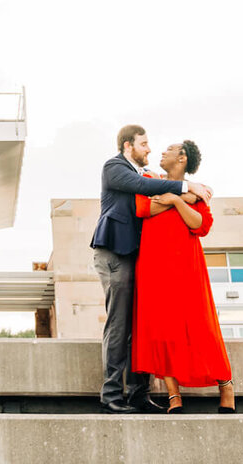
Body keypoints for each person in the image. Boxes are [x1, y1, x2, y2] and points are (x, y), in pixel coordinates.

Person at [90, 125, 213, 413]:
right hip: (114, 253)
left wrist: (188, 191)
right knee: (119, 325)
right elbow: (145, 190)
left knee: (140, 327)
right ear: (127, 146)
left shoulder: (145, 175)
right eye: (144, 144)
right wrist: (185, 188)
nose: (149, 149)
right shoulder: (115, 167)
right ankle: (111, 396)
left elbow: (159, 189)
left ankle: (138, 394)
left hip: (137, 257)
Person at [131, 140, 234, 413]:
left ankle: (226, 385)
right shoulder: (149, 179)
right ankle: (173, 396)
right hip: (153, 266)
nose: (161, 152)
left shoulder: (197, 189)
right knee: (161, 330)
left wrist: (176, 199)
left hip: (187, 267)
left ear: (182, 158)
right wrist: (186, 198)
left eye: (169, 149)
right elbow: (143, 209)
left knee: (201, 325)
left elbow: (199, 224)